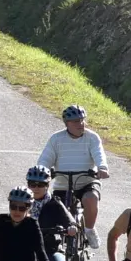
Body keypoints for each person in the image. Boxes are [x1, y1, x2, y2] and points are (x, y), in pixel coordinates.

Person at [37, 104, 110, 248]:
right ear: (67, 124)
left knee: (91, 198)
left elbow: (99, 154)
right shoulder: (56, 139)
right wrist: (42, 170)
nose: (80, 124)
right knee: (56, 212)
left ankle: (89, 230)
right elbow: (45, 158)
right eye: (76, 121)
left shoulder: (92, 137)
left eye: (82, 120)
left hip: (87, 182)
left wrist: (102, 168)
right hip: (63, 184)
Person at [26, 166, 78, 261]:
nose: (36, 188)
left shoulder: (55, 203)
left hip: (50, 248)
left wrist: (71, 227)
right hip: (25, 249)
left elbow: (70, 220)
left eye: (40, 184)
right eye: (32, 184)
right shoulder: (21, 201)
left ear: (47, 185)